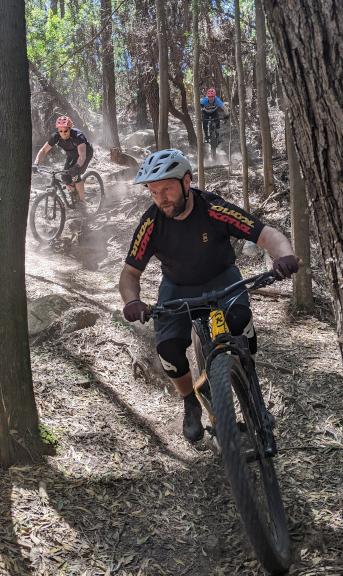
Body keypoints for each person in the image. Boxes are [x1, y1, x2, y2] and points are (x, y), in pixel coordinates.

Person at [119, 149, 299, 443]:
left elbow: (267, 235)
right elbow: (129, 274)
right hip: (177, 288)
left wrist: (284, 256)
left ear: (186, 182)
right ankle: (190, 402)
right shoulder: (151, 223)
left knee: (240, 320)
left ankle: (252, 393)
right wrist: (131, 301)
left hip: (221, 278)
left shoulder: (213, 208)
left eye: (167, 189)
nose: (161, 198)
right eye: (154, 192)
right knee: (168, 350)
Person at [32, 116, 93, 205]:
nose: (63, 133)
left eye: (65, 131)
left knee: (75, 175)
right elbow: (44, 150)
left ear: (70, 129)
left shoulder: (77, 136)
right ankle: (74, 194)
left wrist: (77, 166)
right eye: (60, 131)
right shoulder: (56, 137)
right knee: (65, 177)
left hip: (85, 155)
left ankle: (82, 202)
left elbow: (82, 155)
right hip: (71, 155)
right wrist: (36, 163)